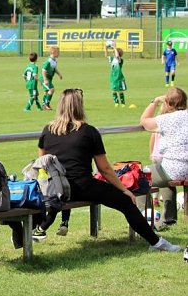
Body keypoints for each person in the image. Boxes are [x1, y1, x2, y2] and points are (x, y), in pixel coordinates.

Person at [31, 88, 180, 252]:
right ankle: (156, 243)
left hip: (57, 188)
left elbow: (42, 162)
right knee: (126, 202)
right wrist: (124, 190)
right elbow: (105, 169)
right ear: (79, 106)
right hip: (82, 187)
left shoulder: (48, 130)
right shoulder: (88, 131)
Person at [140, 87, 188, 227]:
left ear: (167, 103)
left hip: (172, 168)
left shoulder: (166, 119)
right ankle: (169, 218)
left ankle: (144, 218)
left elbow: (144, 121)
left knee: (140, 177)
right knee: (165, 175)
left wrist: (154, 102)